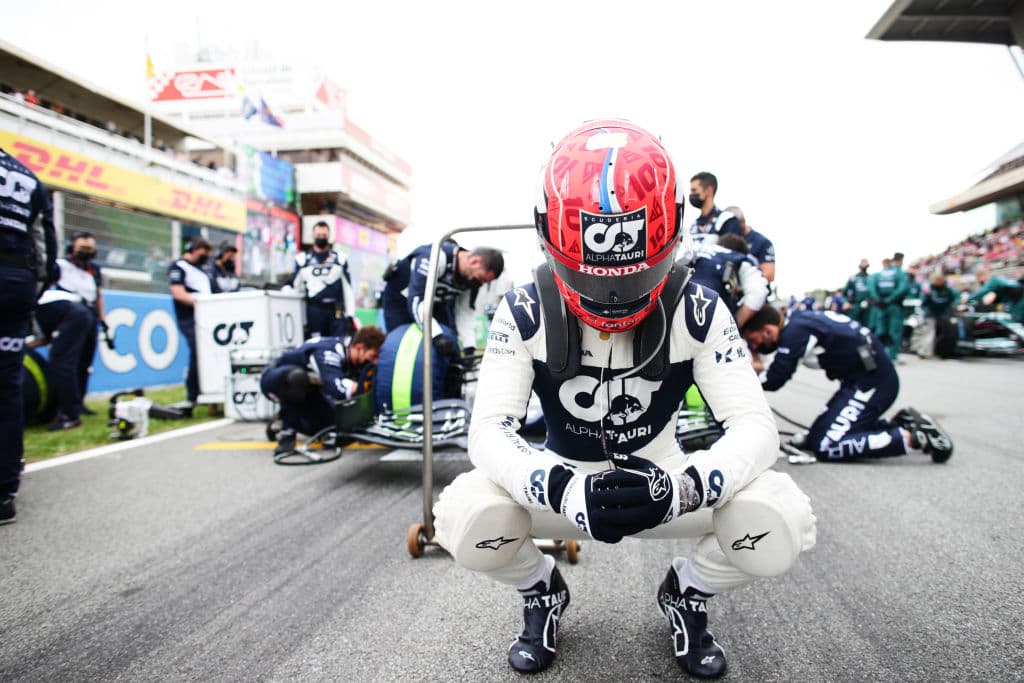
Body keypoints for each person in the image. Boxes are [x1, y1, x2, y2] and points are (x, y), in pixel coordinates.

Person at [431, 120, 816, 678]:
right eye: (590, 277)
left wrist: (682, 487)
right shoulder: (522, 310)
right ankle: (541, 588)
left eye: (633, 278)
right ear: (546, 239)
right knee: (465, 521)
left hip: (666, 481)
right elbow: (487, 431)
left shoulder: (700, 308)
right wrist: (560, 487)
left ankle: (688, 591)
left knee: (781, 524)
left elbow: (757, 428)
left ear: (675, 237)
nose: (611, 299)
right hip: (561, 486)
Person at [741, 305, 953, 463]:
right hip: (861, 381)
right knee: (815, 438)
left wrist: (741, 382)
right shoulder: (801, 321)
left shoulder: (795, 331)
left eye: (755, 340)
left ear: (768, 330)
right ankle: (900, 424)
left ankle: (913, 437)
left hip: (872, 384)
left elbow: (777, 377)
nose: (755, 346)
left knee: (827, 445)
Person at [0, 146, 58, 525]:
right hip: (16, 282)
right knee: (6, 386)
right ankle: (4, 491)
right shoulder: (27, 175)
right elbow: (47, 251)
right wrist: (30, 290)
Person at [261, 325, 384, 456]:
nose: (374, 362)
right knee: (296, 378)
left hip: (309, 391)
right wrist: (360, 387)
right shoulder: (330, 351)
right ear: (360, 348)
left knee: (340, 432)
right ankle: (287, 433)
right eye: (373, 356)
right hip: (275, 380)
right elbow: (336, 387)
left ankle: (290, 420)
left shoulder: (345, 349)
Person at [380, 239, 503, 357]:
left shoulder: (473, 277)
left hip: (435, 303)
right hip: (401, 300)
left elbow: (465, 312)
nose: (480, 284)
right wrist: (436, 336)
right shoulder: (436, 257)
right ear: (475, 262)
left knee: (449, 343)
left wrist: (469, 347)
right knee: (400, 345)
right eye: (480, 278)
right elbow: (417, 300)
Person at [35, 232, 106, 430]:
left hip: (87, 315)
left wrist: (103, 321)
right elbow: (44, 289)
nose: (87, 252)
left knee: (83, 364)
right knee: (64, 363)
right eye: (83, 248)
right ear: (71, 247)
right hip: (69, 311)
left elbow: (98, 295)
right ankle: (67, 411)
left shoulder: (94, 270)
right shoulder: (60, 266)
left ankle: (75, 408)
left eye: (90, 248)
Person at [288, 221, 356, 338]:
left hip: (336, 309)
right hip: (314, 309)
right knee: (316, 343)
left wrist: (350, 315)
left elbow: (348, 289)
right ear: (313, 236)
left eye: (324, 235)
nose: (321, 238)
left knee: (337, 343)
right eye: (318, 235)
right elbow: (296, 287)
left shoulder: (339, 259)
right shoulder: (303, 260)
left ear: (329, 236)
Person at [168, 239, 213, 405]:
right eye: (203, 252)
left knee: (208, 353)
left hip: (209, 318)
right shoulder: (179, 267)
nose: (206, 256)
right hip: (190, 318)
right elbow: (178, 293)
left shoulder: (203, 271)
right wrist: (200, 303)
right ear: (193, 250)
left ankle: (207, 390)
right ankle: (192, 395)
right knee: (197, 352)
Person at [690, 233, 769, 328]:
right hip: (703, 315)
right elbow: (758, 293)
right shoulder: (740, 259)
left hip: (672, 300)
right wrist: (734, 327)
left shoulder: (696, 248)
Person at [687, 171, 743, 251]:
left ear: (709, 190)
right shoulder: (693, 225)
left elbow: (733, 255)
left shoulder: (727, 220)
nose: (691, 194)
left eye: (694, 190)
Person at [868, 252, 909, 360]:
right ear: (900, 261)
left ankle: (878, 355)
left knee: (880, 330)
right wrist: (889, 299)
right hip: (894, 306)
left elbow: (871, 288)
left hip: (880, 306)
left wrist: (878, 300)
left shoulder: (880, 273)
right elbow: (903, 288)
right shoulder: (899, 272)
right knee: (894, 331)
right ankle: (891, 357)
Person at [725, 205, 775, 283]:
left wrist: (745, 284)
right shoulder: (724, 239)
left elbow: (769, 275)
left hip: (752, 287)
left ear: (742, 222)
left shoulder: (762, 242)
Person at [917, 271, 958, 358]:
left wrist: (954, 306)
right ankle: (924, 352)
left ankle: (944, 352)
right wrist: (924, 310)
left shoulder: (949, 287)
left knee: (946, 332)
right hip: (930, 313)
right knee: (929, 333)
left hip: (945, 313)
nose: (938, 282)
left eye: (939, 280)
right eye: (936, 281)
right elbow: (923, 301)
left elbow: (955, 298)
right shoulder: (928, 288)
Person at [842, 259, 872, 327]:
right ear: (859, 266)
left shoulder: (871, 278)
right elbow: (844, 293)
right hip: (855, 306)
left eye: (866, 264)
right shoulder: (853, 278)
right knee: (853, 326)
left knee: (867, 327)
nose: (864, 266)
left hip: (868, 307)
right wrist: (846, 302)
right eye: (862, 263)